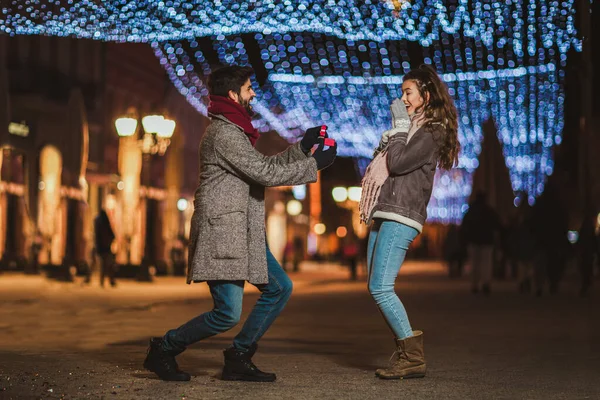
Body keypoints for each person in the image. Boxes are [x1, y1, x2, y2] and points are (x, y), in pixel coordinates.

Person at [143, 65, 337, 382]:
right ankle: (164, 348)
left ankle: (239, 354)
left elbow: (262, 166)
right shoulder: (223, 134)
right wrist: (313, 165)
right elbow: (264, 173)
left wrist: (302, 149)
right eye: (249, 88)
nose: (253, 94)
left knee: (279, 288)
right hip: (224, 234)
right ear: (233, 95)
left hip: (242, 233)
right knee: (227, 314)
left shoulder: (235, 132)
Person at [358, 64, 460, 380]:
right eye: (402, 92)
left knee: (381, 287)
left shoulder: (433, 131)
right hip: (385, 210)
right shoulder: (410, 128)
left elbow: (399, 162)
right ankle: (407, 353)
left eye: (408, 92)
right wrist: (393, 134)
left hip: (403, 214)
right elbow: (386, 158)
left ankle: (412, 356)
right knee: (374, 284)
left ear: (426, 94)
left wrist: (400, 126)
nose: (402, 98)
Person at [461, 192, 502, 295]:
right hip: (487, 241)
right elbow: (497, 224)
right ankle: (486, 283)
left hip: (473, 241)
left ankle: (474, 284)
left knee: (474, 263)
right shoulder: (489, 210)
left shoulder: (471, 211)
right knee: (486, 262)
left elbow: (464, 226)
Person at [93, 209, 116, 288]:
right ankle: (110, 280)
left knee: (103, 264)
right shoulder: (105, 222)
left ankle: (102, 281)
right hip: (106, 246)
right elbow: (111, 234)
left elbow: (96, 235)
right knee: (109, 264)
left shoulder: (97, 221)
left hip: (100, 246)